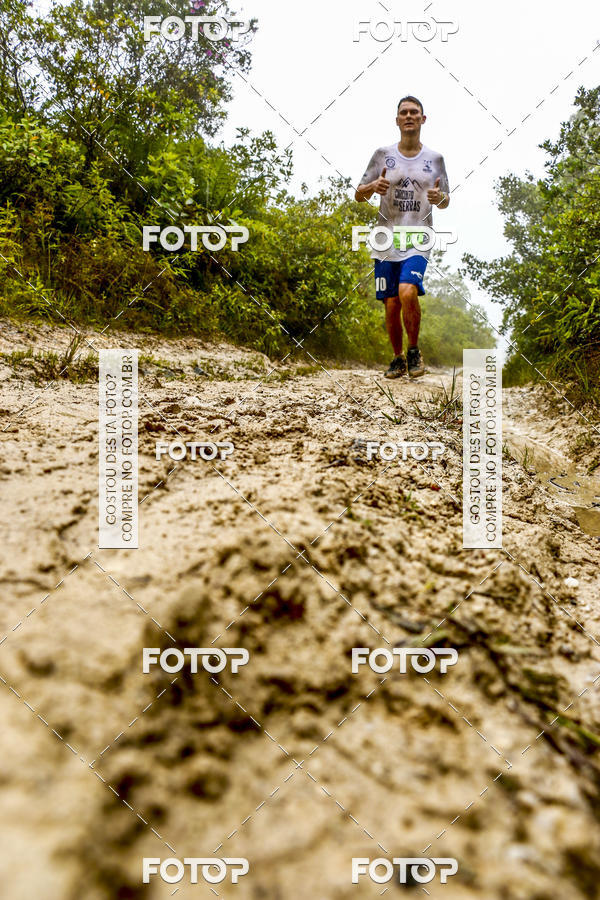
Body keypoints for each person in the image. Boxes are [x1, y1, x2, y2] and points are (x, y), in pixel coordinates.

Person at [355, 96, 450, 378]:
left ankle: (414, 351)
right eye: (404, 113)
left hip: (418, 236)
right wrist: (373, 185)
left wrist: (439, 197)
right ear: (397, 120)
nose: (409, 116)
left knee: (407, 291)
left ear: (423, 119)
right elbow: (359, 195)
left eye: (414, 112)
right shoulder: (382, 155)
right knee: (391, 302)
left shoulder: (435, 159)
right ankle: (397, 358)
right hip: (386, 237)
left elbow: (445, 201)